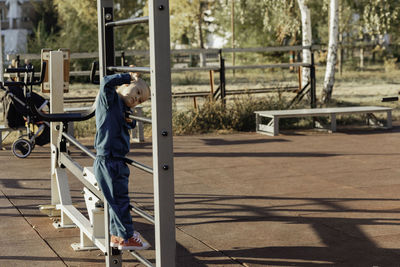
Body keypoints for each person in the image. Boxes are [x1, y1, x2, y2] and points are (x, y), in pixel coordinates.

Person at [93, 71, 151, 250]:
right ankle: (127, 236)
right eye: (138, 92)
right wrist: (128, 76)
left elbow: (122, 123)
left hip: (116, 160)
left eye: (141, 101)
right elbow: (106, 82)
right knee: (119, 200)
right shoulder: (109, 99)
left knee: (116, 200)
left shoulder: (122, 108)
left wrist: (130, 121)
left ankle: (117, 236)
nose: (137, 99)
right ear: (126, 85)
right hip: (108, 160)